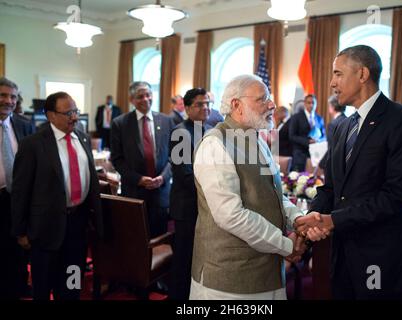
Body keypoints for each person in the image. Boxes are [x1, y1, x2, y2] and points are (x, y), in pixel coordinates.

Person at [295, 45, 402, 300]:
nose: (332, 83)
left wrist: (334, 220)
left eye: (338, 74)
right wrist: (312, 217)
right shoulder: (343, 126)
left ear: (363, 74)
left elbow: (397, 196)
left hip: (382, 258)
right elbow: (330, 187)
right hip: (342, 255)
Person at [190, 74, 307, 300]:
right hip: (229, 281)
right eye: (262, 99)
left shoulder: (258, 140)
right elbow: (231, 215)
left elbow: (275, 194)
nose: (272, 104)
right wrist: (286, 245)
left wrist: (298, 219)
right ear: (237, 105)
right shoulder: (215, 144)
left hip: (268, 272)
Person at [11, 91, 103, 300]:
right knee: (43, 288)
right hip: (45, 229)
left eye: (76, 111)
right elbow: (20, 191)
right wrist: (21, 231)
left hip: (78, 226)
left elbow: (91, 180)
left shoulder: (83, 137)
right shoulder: (32, 144)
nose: (74, 117)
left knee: (72, 283)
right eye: (68, 112)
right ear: (51, 115)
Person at [111, 81, 174, 237]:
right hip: (134, 192)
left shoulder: (166, 121)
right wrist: (138, 179)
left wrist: (163, 177)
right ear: (131, 100)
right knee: (135, 238)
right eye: (140, 96)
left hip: (160, 192)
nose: (146, 99)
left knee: (160, 238)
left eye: (148, 95)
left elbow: (175, 156)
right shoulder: (120, 123)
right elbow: (117, 159)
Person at [169, 87, 211, 300]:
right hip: (187, 206)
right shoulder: (181, 133)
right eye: (199, 104)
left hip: (205, 206)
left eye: (207, 103)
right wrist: (214, 189)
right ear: (186, 108)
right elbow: (184, 175)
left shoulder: (210, 129)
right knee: (184, 260)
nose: (205, 108)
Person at [0, 78, 34, 300]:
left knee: (19, 249)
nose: (8, 101)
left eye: (13, 96)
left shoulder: (24, 125)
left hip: (19, 199)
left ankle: (19, 287)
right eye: (3, 95)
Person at [289, 94, 326, 172]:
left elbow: (324, 136)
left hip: (316, 153)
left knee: (314, 179)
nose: (311, 105)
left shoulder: (319, 118)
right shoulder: (296, 117)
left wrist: (319, 140)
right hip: (300, 153)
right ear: (305, 104)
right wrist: (308, 141)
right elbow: (292, 136)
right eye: (309, 103)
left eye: (313, 103)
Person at [318, 95, 347, 170]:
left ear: (333, 107)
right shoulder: (348, 120)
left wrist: (322, 163)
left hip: (335, 164)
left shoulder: (333, 124)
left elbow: (331, 147)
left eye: (329, 105)